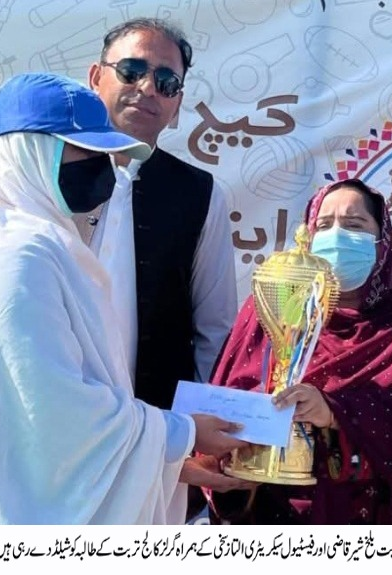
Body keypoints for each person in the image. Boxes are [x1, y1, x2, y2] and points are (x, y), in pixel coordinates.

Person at [0, 72, 249, 524]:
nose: (101, 168)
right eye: (85, 152)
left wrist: (168, 460)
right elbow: (56, 412)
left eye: (104, 155)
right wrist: (183, 432)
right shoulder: (23, 256)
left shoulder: (47, 245)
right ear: (31, 152)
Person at [203, 178, 392, 524]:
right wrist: (239, 452)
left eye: (354, 225)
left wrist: (334, 410)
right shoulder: (271, 308)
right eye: (324, 225)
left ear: (382, 242)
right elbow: (226, 394)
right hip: (263, 512)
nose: (337, 236)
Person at [83, 17, 237, 410]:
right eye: (131, 70)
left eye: (166, 81)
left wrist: (200, 425)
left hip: (156, 428)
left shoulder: (199, 194)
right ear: (96, 78)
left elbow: (215, 329)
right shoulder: (41, 173)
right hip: (40, 415)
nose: (147, 88)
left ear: (177, 102)